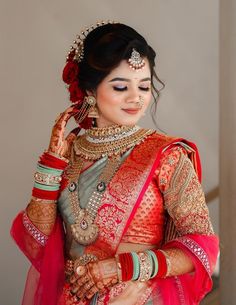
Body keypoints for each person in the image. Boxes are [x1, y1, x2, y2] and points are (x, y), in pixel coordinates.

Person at [11, 21, 219, 305]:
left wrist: (122, 267)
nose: (136, 98)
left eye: (144, 87)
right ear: (89, 91)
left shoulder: (167, 155)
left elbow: (203, 247)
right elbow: (37, 245)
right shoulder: (69, 154)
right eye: (121, 86)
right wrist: (51, 165)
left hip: (136, 299)